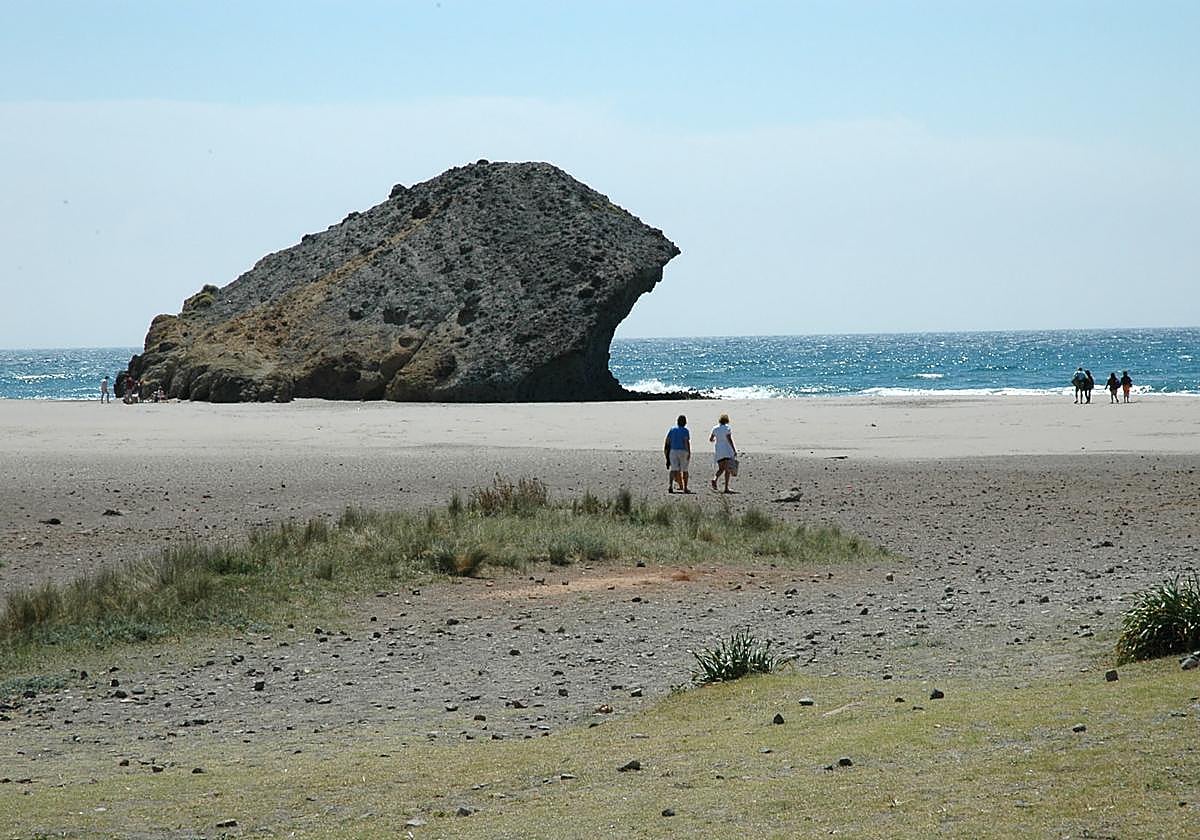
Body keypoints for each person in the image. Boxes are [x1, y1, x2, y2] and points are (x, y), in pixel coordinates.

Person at [663, 414, 692, 493]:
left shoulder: (672, 429)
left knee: (673, 469)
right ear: (685, 422)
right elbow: (686, 441)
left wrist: (666, 452)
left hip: (673, 451)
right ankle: (685, 488)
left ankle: (670, 486)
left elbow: (667, 441)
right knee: (685, 470)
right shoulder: (685, 430)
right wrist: (689, 452)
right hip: (683, 451)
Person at [710, 413, 737, 493]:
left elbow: (711, 439)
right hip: (727, 450)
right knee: (727, 469)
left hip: (719, 450)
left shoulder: (715, 428)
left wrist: (715, 440)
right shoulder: (727, 428)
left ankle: (715, 479)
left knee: (721, 468)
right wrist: (734, 449)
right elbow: (729, 439)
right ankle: (726, 488)